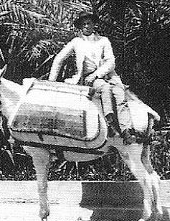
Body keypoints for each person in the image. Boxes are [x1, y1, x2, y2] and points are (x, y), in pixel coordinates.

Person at [48, 11, 136, 144]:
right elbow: (59, 59)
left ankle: (126, 130)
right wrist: (51, 82)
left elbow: (110, 62)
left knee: (119, 94)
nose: (87, 26)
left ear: (94, 25)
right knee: (104, 88)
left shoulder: (103, 41)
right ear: (80, 27)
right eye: (84, 24)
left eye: (89, 23)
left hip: (107, 75)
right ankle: (109, 122)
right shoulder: (76, 42)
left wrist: (96, 74)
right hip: (88, 79)